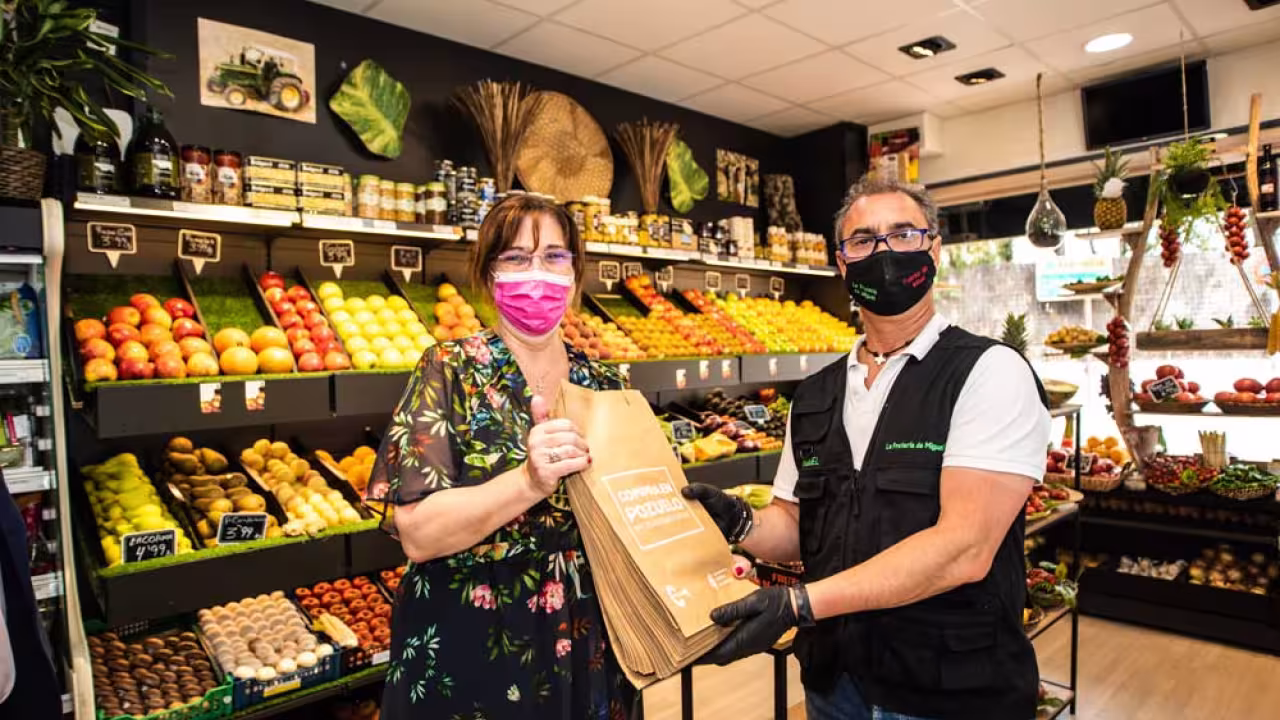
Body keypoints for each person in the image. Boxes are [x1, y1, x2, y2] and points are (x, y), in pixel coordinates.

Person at [684, 176, 1051, 720]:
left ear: (934, 250)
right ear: (841, 263)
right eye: (862, 240)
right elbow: (798, 526)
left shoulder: (988, 372)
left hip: (951, 689)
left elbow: (965, 548)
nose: (883, 252)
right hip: (837, 684)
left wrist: (801, 603)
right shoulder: (815, 395)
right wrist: (741, 524)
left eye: (903, 235)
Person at [367, 194, 636, 720]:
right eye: (516, 257)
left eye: (555, 256)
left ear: (576, 273)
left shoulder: (606, 383)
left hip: (586, 633)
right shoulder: (448, 370)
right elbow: (418, 534)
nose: (538, 270)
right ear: (489, 275)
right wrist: (528, 482)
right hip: (470, 635)